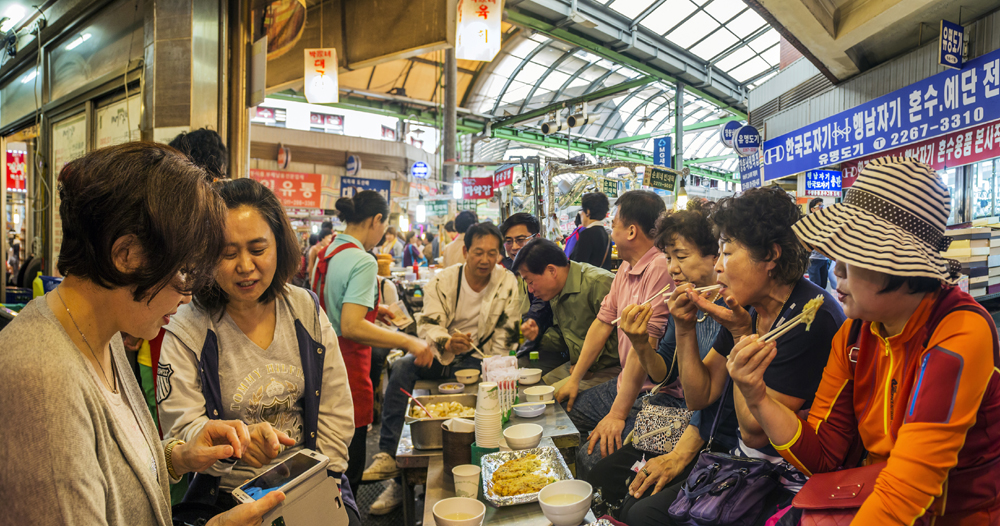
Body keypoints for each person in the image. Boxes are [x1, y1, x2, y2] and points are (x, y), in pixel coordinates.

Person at [0, 142, 284, 526]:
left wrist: (176, 456)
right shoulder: (43, 381)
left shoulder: (103, 334)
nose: (186, 299)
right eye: (184, 274)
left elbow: (109, 474)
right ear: (127, 255)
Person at [731, 158, 1000, 525]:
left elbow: (908, 488)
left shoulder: (959, 333)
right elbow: (823, 454)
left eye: (854, 253)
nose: (835, 269)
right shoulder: (855, 333)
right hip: (872, 500)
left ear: (901, 265)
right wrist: (758, 396)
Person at [621, 186, 846, 526]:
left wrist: (743, 334)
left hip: (783, 481)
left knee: (645, 516)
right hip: (743, 466)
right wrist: (683, 328)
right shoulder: (749, 307)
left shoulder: (810, 315)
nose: (719, 267)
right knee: (635, 507)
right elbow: (699, 397)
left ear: (771, 255)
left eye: (727, 253)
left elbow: (753, 430)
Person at [157, 178, 360, 522]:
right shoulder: (187, 327)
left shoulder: (304, 308)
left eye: (257, 249)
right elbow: (183, 429)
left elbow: (336, 407)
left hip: (312, 482)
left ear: (279, 246)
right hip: (227, 498)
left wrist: (324, 477)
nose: (245, 266)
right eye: (228, 253)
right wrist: (230, 447)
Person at [586, 200, 738, 515]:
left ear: (717, 256)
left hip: (699, 424)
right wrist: (640, 341)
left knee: (633, 501)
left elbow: (703, 400)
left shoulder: (730, 309)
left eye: (681, 257)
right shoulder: (684, 300)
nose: (672, 268)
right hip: (677, 414)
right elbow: (662, 374)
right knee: (600, 475)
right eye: (669, 258)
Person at [366, 222, 522, 513]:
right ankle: (389, 458)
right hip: (442, 352)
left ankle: (493, 467)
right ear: (465, 251)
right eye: (478, 252)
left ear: (499, 255)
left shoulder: (507, 281)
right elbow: (428, 323)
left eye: (492, 253)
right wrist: (447, 341)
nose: (485, 260)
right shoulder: (443, 280)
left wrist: (492, 368)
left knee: (490, 401)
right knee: (401, 367)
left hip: (483, 357)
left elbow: (507, 332)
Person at [320, 191, 434, 509]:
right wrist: (409, 341)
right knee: (349, 465)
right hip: (347, 370)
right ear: (377, 220)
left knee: (327, 457)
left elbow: (334, 303)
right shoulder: (363, 260)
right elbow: (352, 325)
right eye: (385, 226)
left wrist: (376, 308)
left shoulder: (327, 250)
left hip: (320, 364)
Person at [554, 190, 674, 477]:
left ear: (631, 231)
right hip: (624, 383)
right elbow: (603, 322)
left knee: (591, 458)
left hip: (657, 395)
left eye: (615, 222)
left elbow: (643, 347)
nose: (611, 228)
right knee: (565, 416)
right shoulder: (625, 267)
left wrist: (617, 415)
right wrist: (574, 378)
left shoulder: (659, 267)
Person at [513, 238, 619, 388]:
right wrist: (535, 336)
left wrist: (586, 366)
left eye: (530, 282)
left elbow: (621, 339)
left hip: (609, 368)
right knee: (532, 386)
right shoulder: (556, 290)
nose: (530, 290)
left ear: (552, 271)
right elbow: (565, 336)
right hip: (579, 366)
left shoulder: (599, 283)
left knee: (550, 397)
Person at [571, 192, 613, 270]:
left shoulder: (586, 234)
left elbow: (578, 265)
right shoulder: (606, 234)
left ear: (588, 211)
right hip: (601, 280)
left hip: (588, 281)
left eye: (582, 210)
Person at [806, 198, 830, 290]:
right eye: (819, 206)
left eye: (822, 206)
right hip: (814, 259)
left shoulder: (825, 222)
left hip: (824, 259)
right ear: (812, 209)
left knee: (823, 287)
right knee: (816, 287)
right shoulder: (809, 223)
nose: (822, 208)